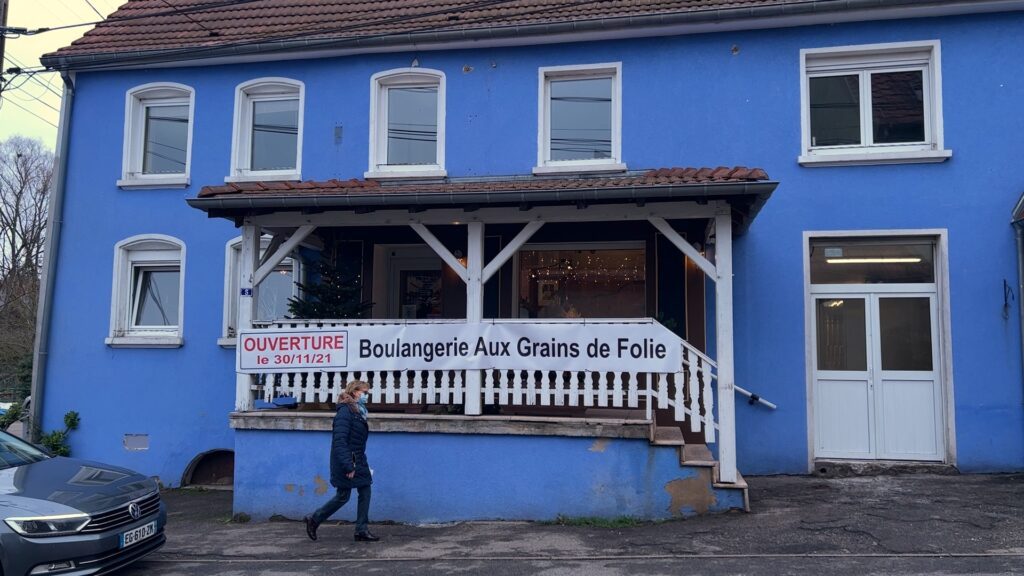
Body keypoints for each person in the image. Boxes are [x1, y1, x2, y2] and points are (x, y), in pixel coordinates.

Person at [304, 380, 379, 542]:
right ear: (354, 392)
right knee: (343, 495)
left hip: (358, 459)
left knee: (365, 489)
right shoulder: (345, 412)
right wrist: (348, 465)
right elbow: (340, 441)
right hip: (347, 461)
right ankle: (315, 518)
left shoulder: (358, 411)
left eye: (367, 393)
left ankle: (361, 530)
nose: (366, 396)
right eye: (363, 392)